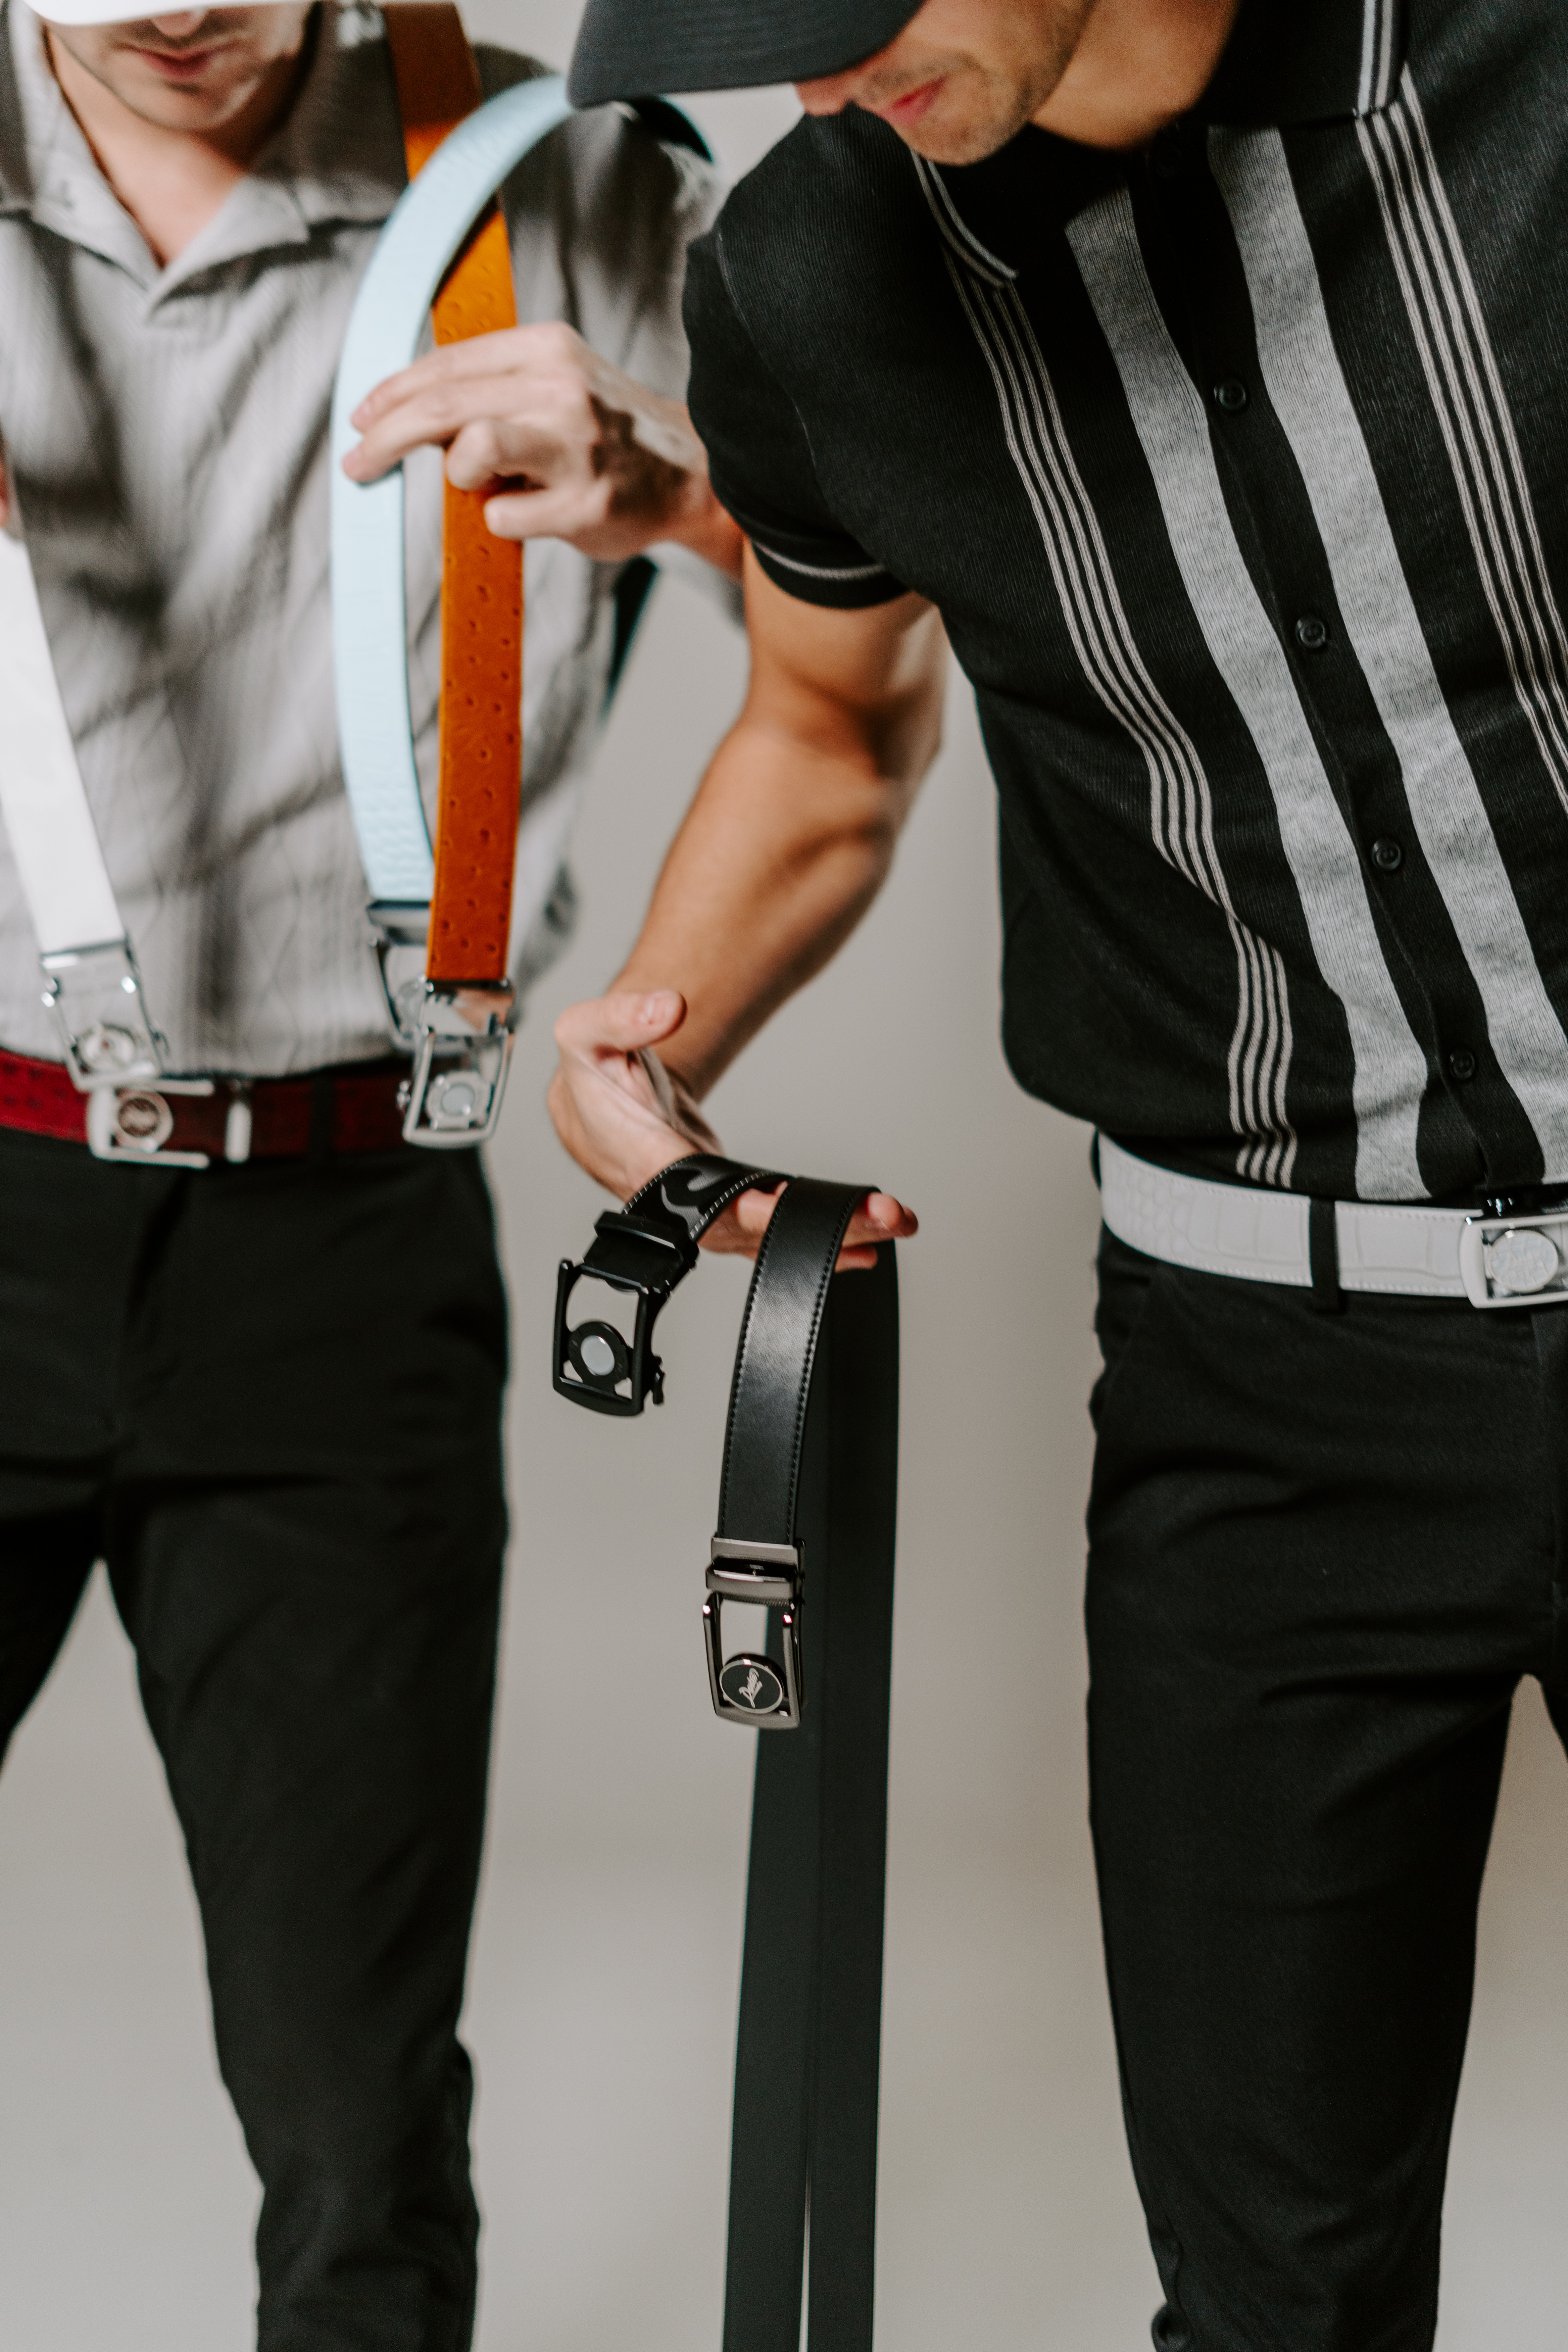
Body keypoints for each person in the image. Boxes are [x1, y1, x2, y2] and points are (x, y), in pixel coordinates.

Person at [550, 0, 1568, 2343]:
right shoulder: (808, 276)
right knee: (1269, 2298)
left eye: (847, 9)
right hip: (1260, 1401)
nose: (809, 95)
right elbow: (823, 733)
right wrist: (653, 1041)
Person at [0, 2, 740, 2342]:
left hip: (342, 1241)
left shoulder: (572, 179)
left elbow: (900, 640)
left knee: (360, 2130)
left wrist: (683, 492)